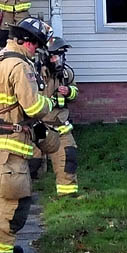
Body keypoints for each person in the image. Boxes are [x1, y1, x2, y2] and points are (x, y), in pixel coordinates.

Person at [0, 17, 54, 253]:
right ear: (25, 41)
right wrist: (51, 103)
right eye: (36, 45)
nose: (36, 51)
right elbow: (33, 106)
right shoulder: (19, 66)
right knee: (12, 201)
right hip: (9, 149)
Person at [34, 34, 79, 197]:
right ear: (45, 56)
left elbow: (75, 92)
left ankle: (68, 198)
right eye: (54, 56)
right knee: (28, 165)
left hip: (60, 125)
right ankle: (19, 198)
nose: (58, 60)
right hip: (37, 127)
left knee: (69, 159)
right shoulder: (35, 74)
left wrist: (68, 92)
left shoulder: (66, 74)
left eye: (61, 56)